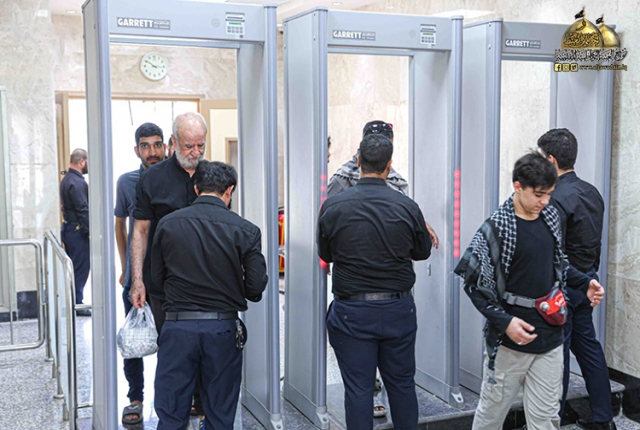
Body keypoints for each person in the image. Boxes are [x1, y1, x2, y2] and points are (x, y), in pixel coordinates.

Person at [454, 152, 605, 430]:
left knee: (546, 420)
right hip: (510, 344)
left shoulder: (550, 217)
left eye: (548, 194)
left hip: (551, 339)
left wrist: (584, 283)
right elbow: (474, 285)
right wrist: (505, 322)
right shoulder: (496, 228)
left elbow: (558, 263)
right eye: (538, 194)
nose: (544, 201)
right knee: (490, 417)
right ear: (518, 186)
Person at [317, 134, 432, 430]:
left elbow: (325, 253)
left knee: (358, 391)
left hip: (351, 313)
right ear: (389, 166)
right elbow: (422, 252)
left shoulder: (333, 206)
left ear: (358, 161)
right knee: (402, 385)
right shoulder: (407, 206)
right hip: (397, 310)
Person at [151, 160, 268, 430]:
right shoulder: (246, 230)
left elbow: (156, 280)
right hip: (222, 329)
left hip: (177, 328)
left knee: (171, 413)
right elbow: (255, 287)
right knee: (220, 412)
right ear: (229, 191)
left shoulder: (167, 225)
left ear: (196, 189)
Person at [129, 112, 207, 419]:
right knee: (172, 355)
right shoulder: (153, 178)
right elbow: (140, 230)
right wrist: (137, 280)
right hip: (164, 285)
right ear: (174, 142)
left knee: (206, 354)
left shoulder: (212, 175)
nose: (195, 152)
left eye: (201, 145)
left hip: (206, 284)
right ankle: (172, 414)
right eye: (189, 146)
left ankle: (202, 408)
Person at [537, 129, 615, 430]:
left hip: (562, 287)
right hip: (587, 282)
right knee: (589, 350)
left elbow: (552, 253)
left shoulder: (554, 198)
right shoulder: (592, 192)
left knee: (557, 356)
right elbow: (594, 242)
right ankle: (604, 420)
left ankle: (554, 417)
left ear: (551, 160)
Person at [114, 122, 165, 425]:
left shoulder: (175, 180)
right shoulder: (127, 182)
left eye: (157, 144)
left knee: (171, 340)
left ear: (165, 146)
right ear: (137, 150)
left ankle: (169, 398)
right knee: (133, 339)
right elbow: (120, 225)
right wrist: (126, 268)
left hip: (168, 276)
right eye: (145, 146)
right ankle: (135, 397)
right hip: (137, 275)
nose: (152, 151)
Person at [60, 148, 91, 317]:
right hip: (77, 232)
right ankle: (77, 304)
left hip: (69, 229)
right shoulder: (77, 182)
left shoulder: (67, 179)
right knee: (81, 267)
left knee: (75, 267)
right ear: (82, 161)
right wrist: (90, 231)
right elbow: (83, 209)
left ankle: (75, 301)